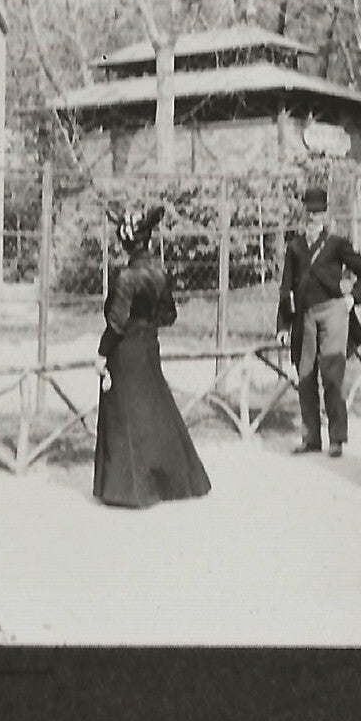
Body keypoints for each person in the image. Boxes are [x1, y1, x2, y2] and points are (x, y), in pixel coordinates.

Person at [91, 205, 212, 508]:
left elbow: (116, 323)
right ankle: (169, 480)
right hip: (149, 348)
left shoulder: (126, 278)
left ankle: (127, 490)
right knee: (155, 410)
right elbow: (169, 315)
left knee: (124, 415)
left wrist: (101, 354)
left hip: (126, 351)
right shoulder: (159, 274)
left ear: (126, 244)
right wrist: (147, 323)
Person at [277, 185, 361, 458]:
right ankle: (310, 438)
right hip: (305, 316)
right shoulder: (294, 247)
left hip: (334, 312)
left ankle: (337, 439)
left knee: (332, 375)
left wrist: (352, 299)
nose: (313, 217)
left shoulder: (336, 244)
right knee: (305, 374)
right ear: (302, 212)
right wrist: (283, 326)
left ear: (326, 214)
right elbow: (286, 288)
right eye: (309, 212)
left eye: (318, 212)